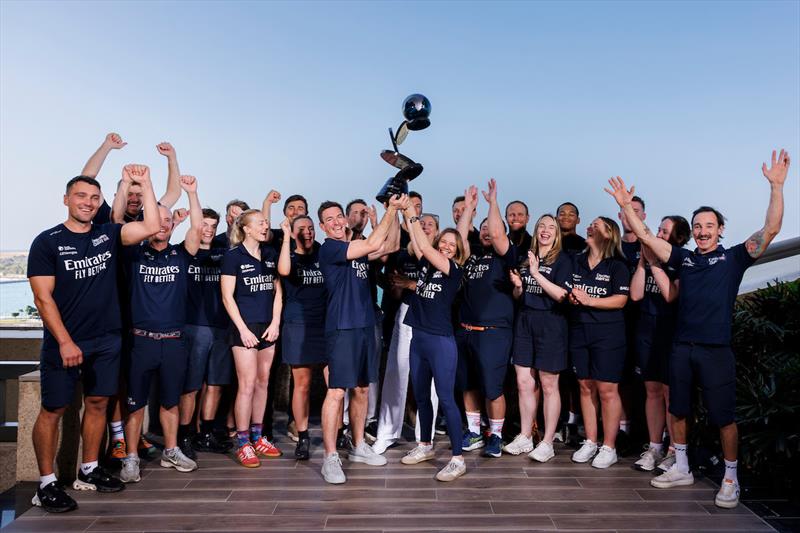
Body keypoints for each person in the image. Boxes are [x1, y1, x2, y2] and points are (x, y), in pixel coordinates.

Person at [605, 148, 790, 508]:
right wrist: (627, 206)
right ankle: (683, 467)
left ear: (720, 230)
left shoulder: (734, 257)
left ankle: (731, 479)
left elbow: (771, 230)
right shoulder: (685, 259)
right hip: (681, 347)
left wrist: (777, 187)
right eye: (699, 226)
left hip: (716, 350)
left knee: (724, 418)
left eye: (710, 225)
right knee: (678, 410)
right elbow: (645, 236)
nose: (703, 231)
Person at [27, 166, 159, 512]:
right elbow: (44, 300)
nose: (87, 202)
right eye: (81, 196)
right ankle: (46, 483)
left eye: (94, 197)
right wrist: (66, 341)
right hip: (65, 342)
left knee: (99, 403)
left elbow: (151, 226)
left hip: (107, 340)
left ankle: (90, 468)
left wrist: (143, 183)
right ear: (66, 199)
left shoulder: (108, 234)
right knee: (53, 410)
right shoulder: (47, 241)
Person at [119, 174, 203, 482]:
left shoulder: (180, 254)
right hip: (141, 342)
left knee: (170, 402)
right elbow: (119, 222)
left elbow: (195, 228)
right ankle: (130, 457)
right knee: (136, 405)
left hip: (173, 342)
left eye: (169, 219)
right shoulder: (133, 253)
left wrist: (192, 193)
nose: (164, 224)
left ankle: (170, 450)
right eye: (159, 219)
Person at [317, 196, 405, 484]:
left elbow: (389, 245)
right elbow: (370, 245)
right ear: (323, 227)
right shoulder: (331, 249)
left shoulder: (355, 248)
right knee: (337, 392)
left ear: (345, 219)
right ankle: (330, 457)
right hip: (342, 328)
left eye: (338, 216)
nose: (335, 222)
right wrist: (391, 208)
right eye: (328, 219)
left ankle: (358, 446)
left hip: (366, 325)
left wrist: (391, 216)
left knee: (362, 389)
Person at [399, 206, 469, 481]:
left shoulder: (454, 270)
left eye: (453, 245)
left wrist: (414, 216)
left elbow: (426, 248)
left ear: (458, 250)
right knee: (421, 397)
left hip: (441, 343)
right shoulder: (427, 264)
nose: (447, 247)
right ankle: (425, 446)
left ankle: (457, 458)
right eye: (444, 243)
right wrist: (406, 212)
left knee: (447, 400)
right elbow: (419, 244)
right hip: (419, 338)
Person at [456, 180, 517, 458]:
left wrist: (493, 203)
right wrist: (468, 209)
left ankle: (496, 435)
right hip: (466, 330)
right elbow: (458, 241)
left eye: (490, 229)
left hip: (494, 332)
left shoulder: (505, 257)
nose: (486, 232)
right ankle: (475, 431)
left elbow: (496, 232)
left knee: (493, 388)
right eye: (481, 230)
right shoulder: (471, 257)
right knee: (468, 384)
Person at [372, 213, 440, 455]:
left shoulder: (442, 254)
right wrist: (398, 286)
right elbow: (394, 287)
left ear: (438, 231)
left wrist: (410, 284)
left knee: (430, 378)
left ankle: (425, 438)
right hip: (406, 314)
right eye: (421, 224)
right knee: (396, 372)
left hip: (433, 318)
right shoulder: (402, 255)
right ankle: (386, 434)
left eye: (430, 225)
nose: (425, 227)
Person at [220, 208, 284, 467]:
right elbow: (227, 297)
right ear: (246, 228)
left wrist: (276, 322)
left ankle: (258, 437)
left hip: (268, 327)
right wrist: (243, 329)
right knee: (246, 385)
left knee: (262, 382)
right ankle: (243, 442)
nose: (265, 226)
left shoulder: (270, 254)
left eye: (266, 222)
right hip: (244, 328)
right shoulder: (233, 256)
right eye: (260, 223)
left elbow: (278, 291)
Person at [505, 214, 571, 461]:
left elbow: (561, 295)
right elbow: (518, 295)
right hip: (525, 321)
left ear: (557, 234)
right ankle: (525, 435)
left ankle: (547, 441)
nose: (545, 230)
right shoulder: (526, 257)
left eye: (551, 227)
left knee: (549, 384)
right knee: (523, 381)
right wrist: (518, 286)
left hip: (551, 322)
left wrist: (537, 273)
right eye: (541, 226)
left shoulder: (564, 260)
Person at [566, 217, 630, 469]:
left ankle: (609, 446)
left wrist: (590, 301)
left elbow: (621, 300)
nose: (590, 228)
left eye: (596, 225)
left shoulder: (617, 265)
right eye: (590, 225)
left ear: (609, 234)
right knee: (584, 386)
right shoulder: (576, 261)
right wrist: (574, 299)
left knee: (607, 390)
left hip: (608, 334)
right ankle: (591, 441)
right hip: (579, 331)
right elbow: (573, 291)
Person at [629, 215, 690, 472]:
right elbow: (635, 294)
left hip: (670, 332)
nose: (658, 235)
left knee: (669, 394)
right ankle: (654, 446)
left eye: (664, 232)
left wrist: (654, 263)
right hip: (646, 329)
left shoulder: (681, 260)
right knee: (652, 390)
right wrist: (644, 263)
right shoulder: (646, 256)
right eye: (658, 230)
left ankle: (674, 449)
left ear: (677, 237)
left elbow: (670, 295)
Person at [179, 208, 234, 455]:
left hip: (221, 326)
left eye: (213, 225)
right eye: (204, 224)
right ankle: (185, 434)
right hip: (192, 326)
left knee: (215, 384)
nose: (209, 229)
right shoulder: (184, 253)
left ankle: (207, 433)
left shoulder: (224, 254)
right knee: (191, 386)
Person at [277, 215, 327, 460]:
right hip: (298, 324)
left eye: (310, 228)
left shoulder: (322, 251)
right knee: (303, 385)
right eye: (301, 229)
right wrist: (286, 237)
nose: (307, 232)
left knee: (334, 384)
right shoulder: (289, 254)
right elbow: (284, 271)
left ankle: (337, 434)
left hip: (326, 324)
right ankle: (303, 436)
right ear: (293, 232)